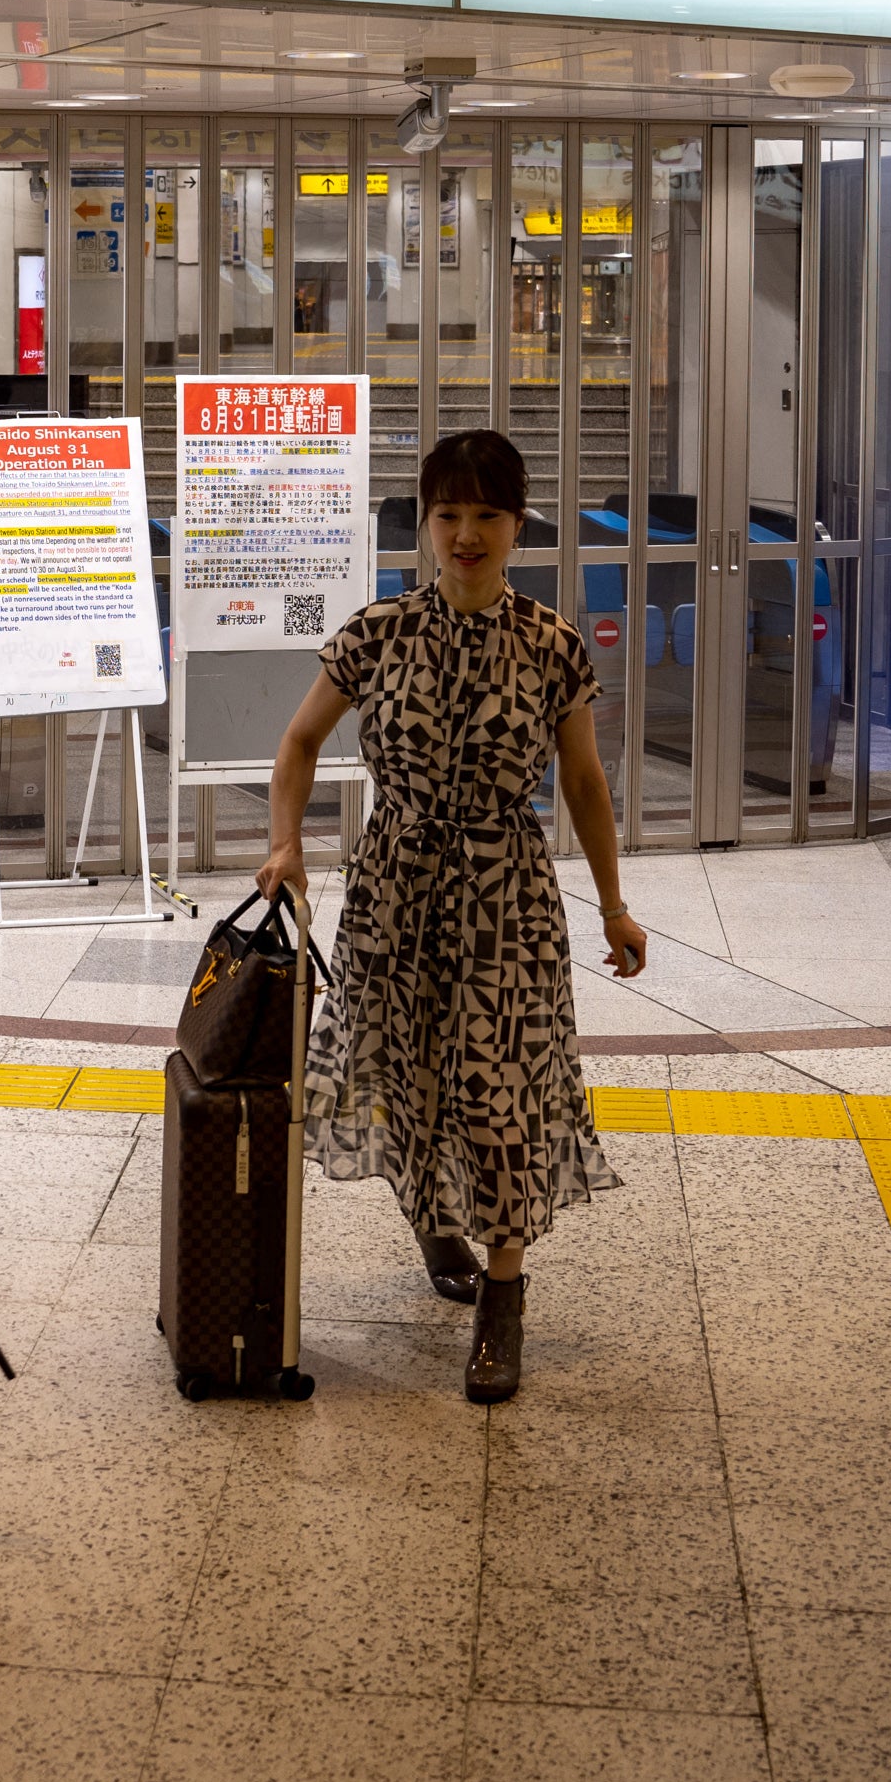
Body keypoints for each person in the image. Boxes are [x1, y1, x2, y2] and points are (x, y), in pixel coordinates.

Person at [251, 429, 651, 1405]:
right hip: (395, 888)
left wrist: (613, 901)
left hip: (505, 897)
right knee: (411, 1076)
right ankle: (434, 1221)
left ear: (518, 526)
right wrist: (284, 843)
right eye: (448, 514)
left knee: (502, 1091)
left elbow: (587, 784)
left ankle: (503, 1297)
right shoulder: (376, 632)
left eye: (487, 515)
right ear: (426, 523)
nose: (466, 534)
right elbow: (299, 742)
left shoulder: (552, 647)